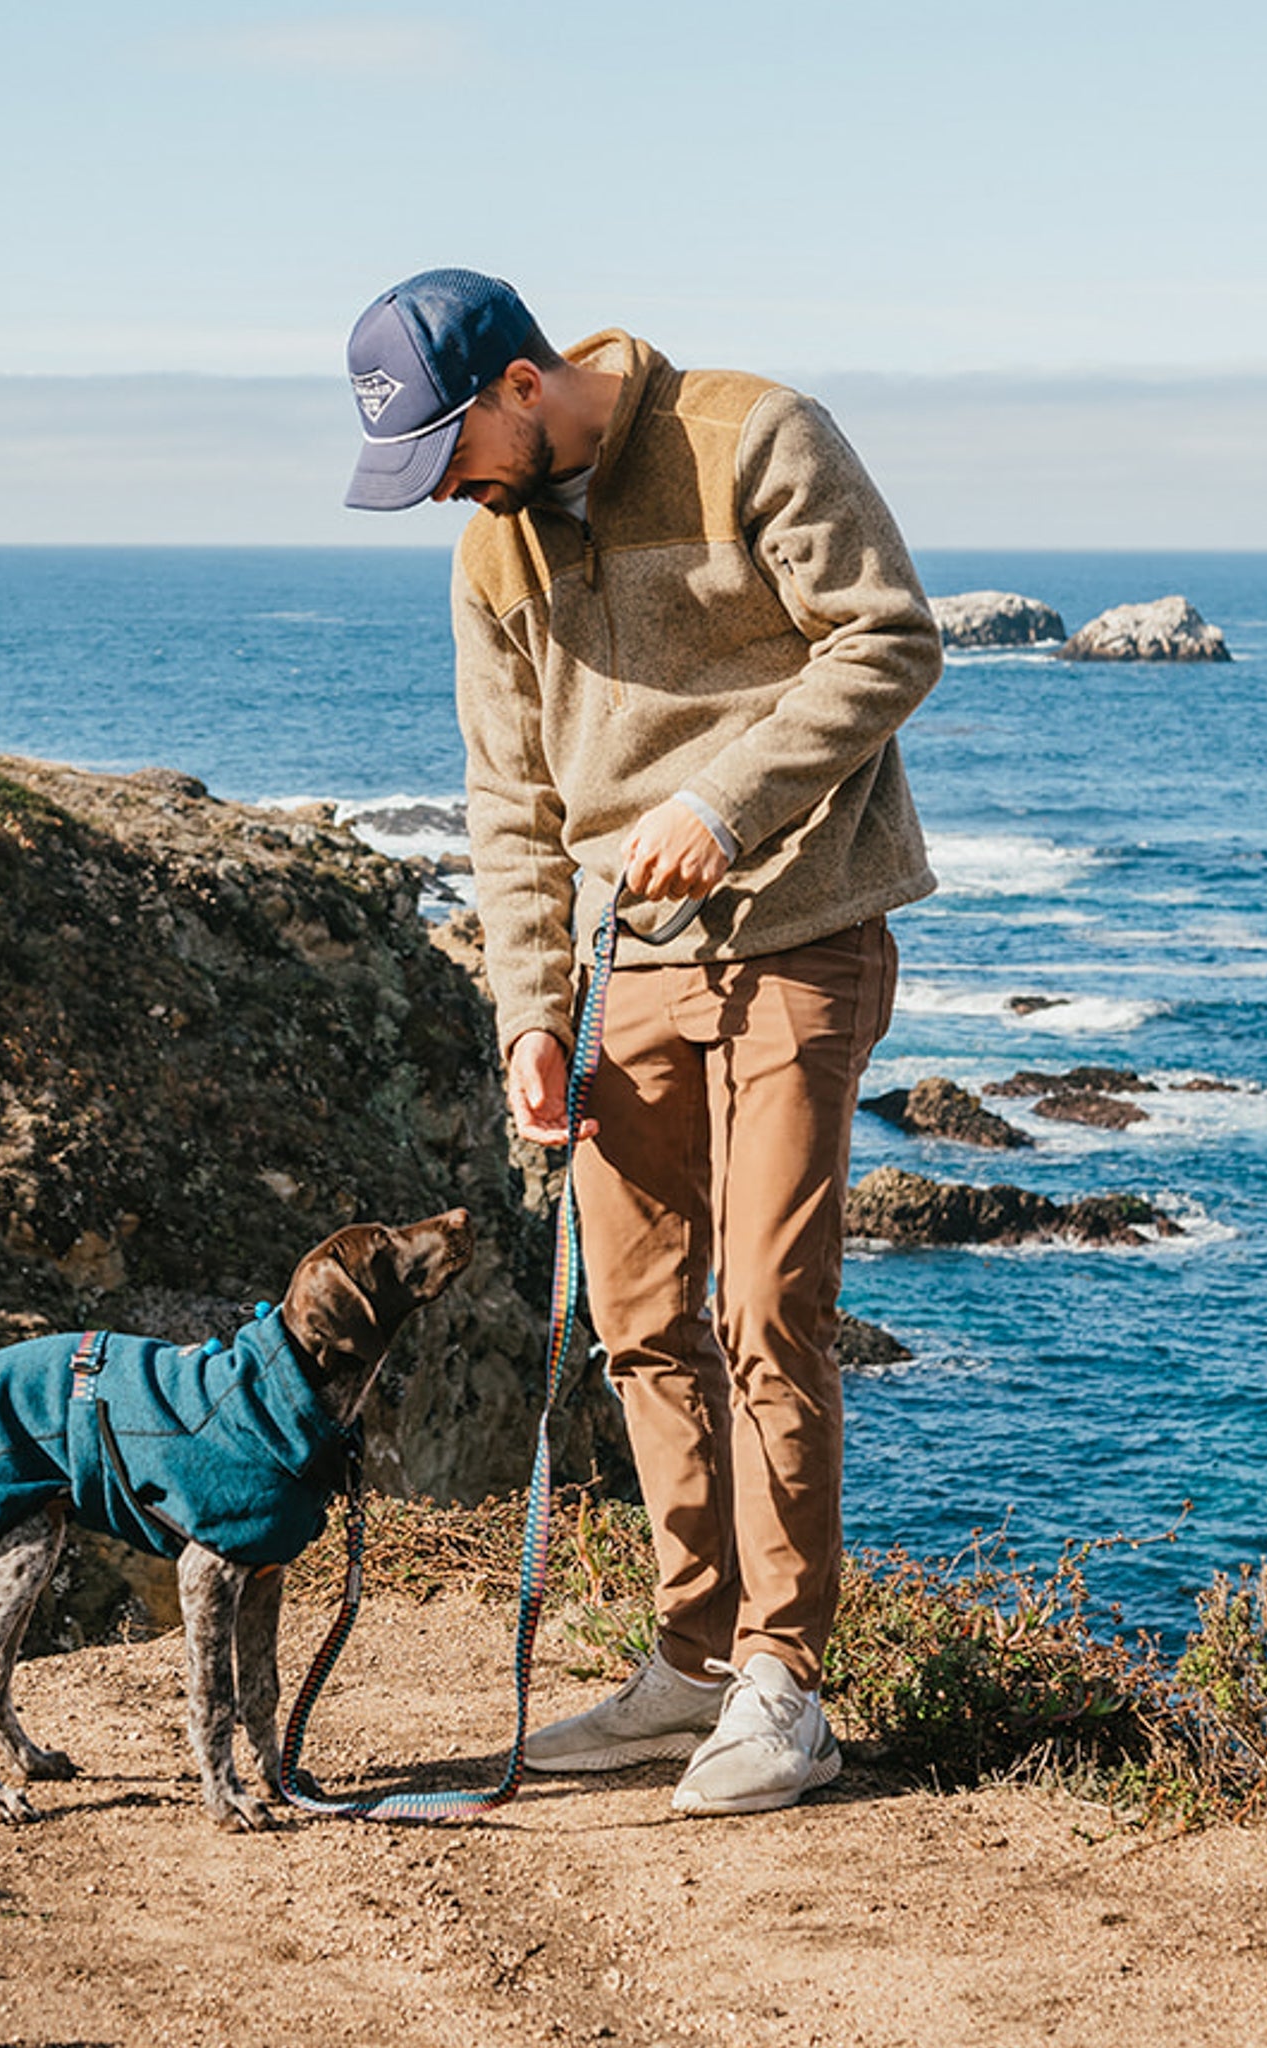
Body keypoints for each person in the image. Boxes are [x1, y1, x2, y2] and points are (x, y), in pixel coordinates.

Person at [340, 269, 941, 1815]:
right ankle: (689, 1663)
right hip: (622, 975)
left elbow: (887, 642)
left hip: (801, 937)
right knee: (640, 1321)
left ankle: (783, 1684)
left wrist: (723, 804)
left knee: (765, 1307)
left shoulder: (753, 434)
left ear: (524, 386)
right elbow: (509, 802)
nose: (446, 491)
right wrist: (528, 1015)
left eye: (449, 448)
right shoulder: (492, 553)